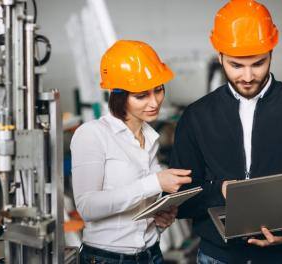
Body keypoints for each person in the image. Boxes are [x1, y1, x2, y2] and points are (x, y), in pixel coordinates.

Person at [170, 0, 282, 263]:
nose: (247, 76)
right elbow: (180, 201)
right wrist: (220, 190)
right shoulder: (196, 117)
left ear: (272, 51)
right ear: (220, 57)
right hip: (217, 257)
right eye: (236, 65)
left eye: (258, 64)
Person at [71, 40, 192, 264]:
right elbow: (87, 207)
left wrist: (159, 217)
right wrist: (155, 183)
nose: (154, 102)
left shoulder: (150, 138)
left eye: (158, 90)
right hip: (107, 258)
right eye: (141, 96)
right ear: (119, 96)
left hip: (151, 253)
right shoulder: (92, 135)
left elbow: (138, 205)